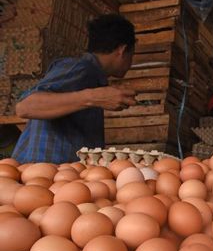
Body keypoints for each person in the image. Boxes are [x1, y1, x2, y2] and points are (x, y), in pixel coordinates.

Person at [12, 14, 137, 164]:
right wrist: (93, 97)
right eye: (132, 54)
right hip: (41, 178)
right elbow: (25, 107)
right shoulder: (79, 68)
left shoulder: (93, 78)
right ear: (122, 50)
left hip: (61, 180)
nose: (131, 62)